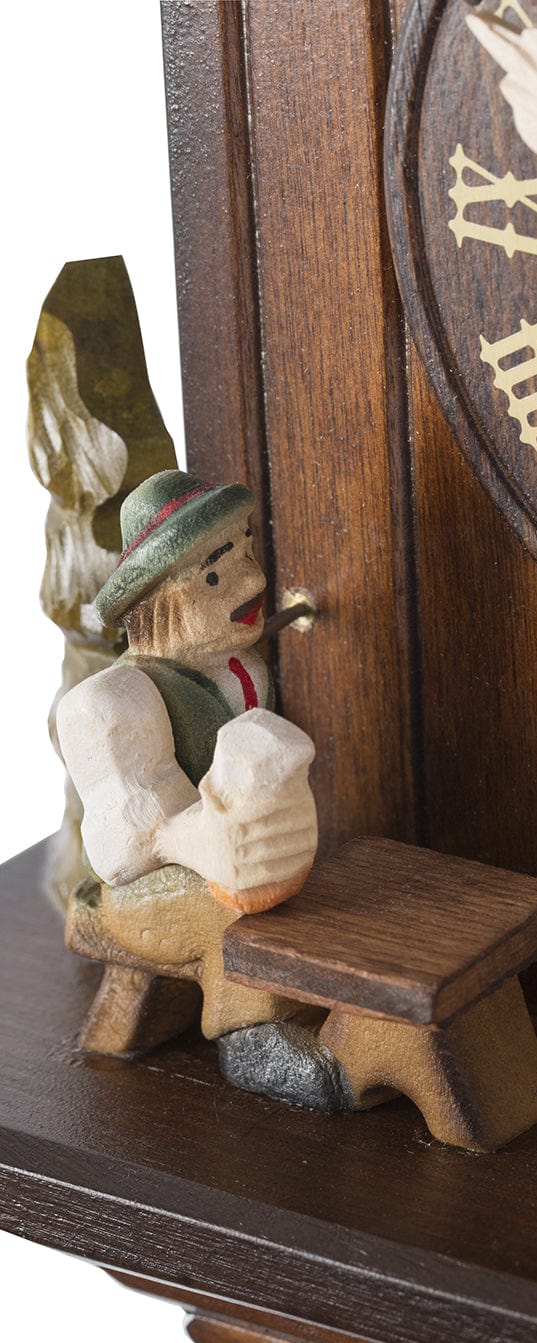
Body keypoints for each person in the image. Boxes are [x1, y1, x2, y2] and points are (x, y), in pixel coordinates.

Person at [57, 470, 346, 1109]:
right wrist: (211, 837)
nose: (254, 580)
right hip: (137, 892)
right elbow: (123, 850)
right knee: (230, 903)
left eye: (246, 550)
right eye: (215, 574)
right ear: (156, 601)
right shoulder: (121, 702)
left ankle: (314, 998)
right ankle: (252, 1038)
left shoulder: (243, 669)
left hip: (222, 865)